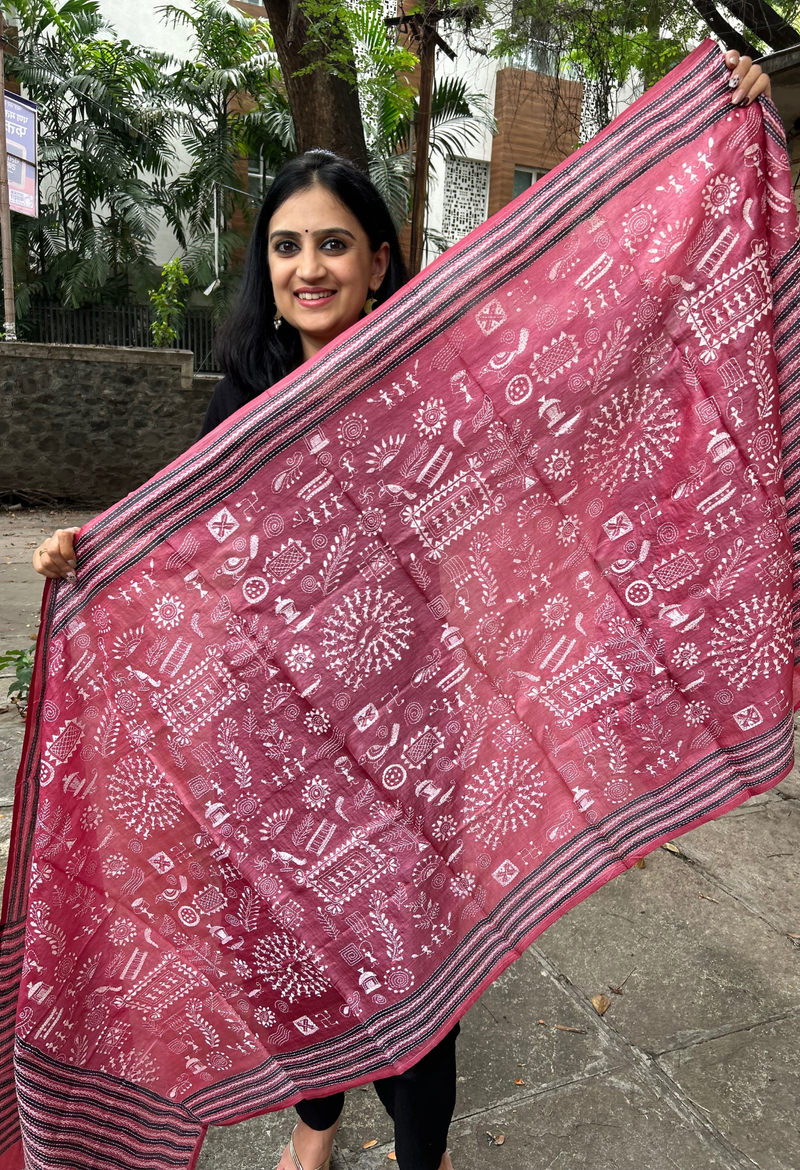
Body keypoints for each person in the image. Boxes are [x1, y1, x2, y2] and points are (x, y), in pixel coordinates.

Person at [31, 48, 772, 1170]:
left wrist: (720, 123)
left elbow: (583, 373)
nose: (308, 266)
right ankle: (317, 1123)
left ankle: (418, 1156)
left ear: (380, 260)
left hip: (413, 724)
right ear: (265, 266)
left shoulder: (438, 382)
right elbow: (184, 549)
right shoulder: (245, 399)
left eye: (333, 242)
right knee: (300, 940)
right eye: (286, 246)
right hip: (269, 734)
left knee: (412, 956)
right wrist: (87, 551)